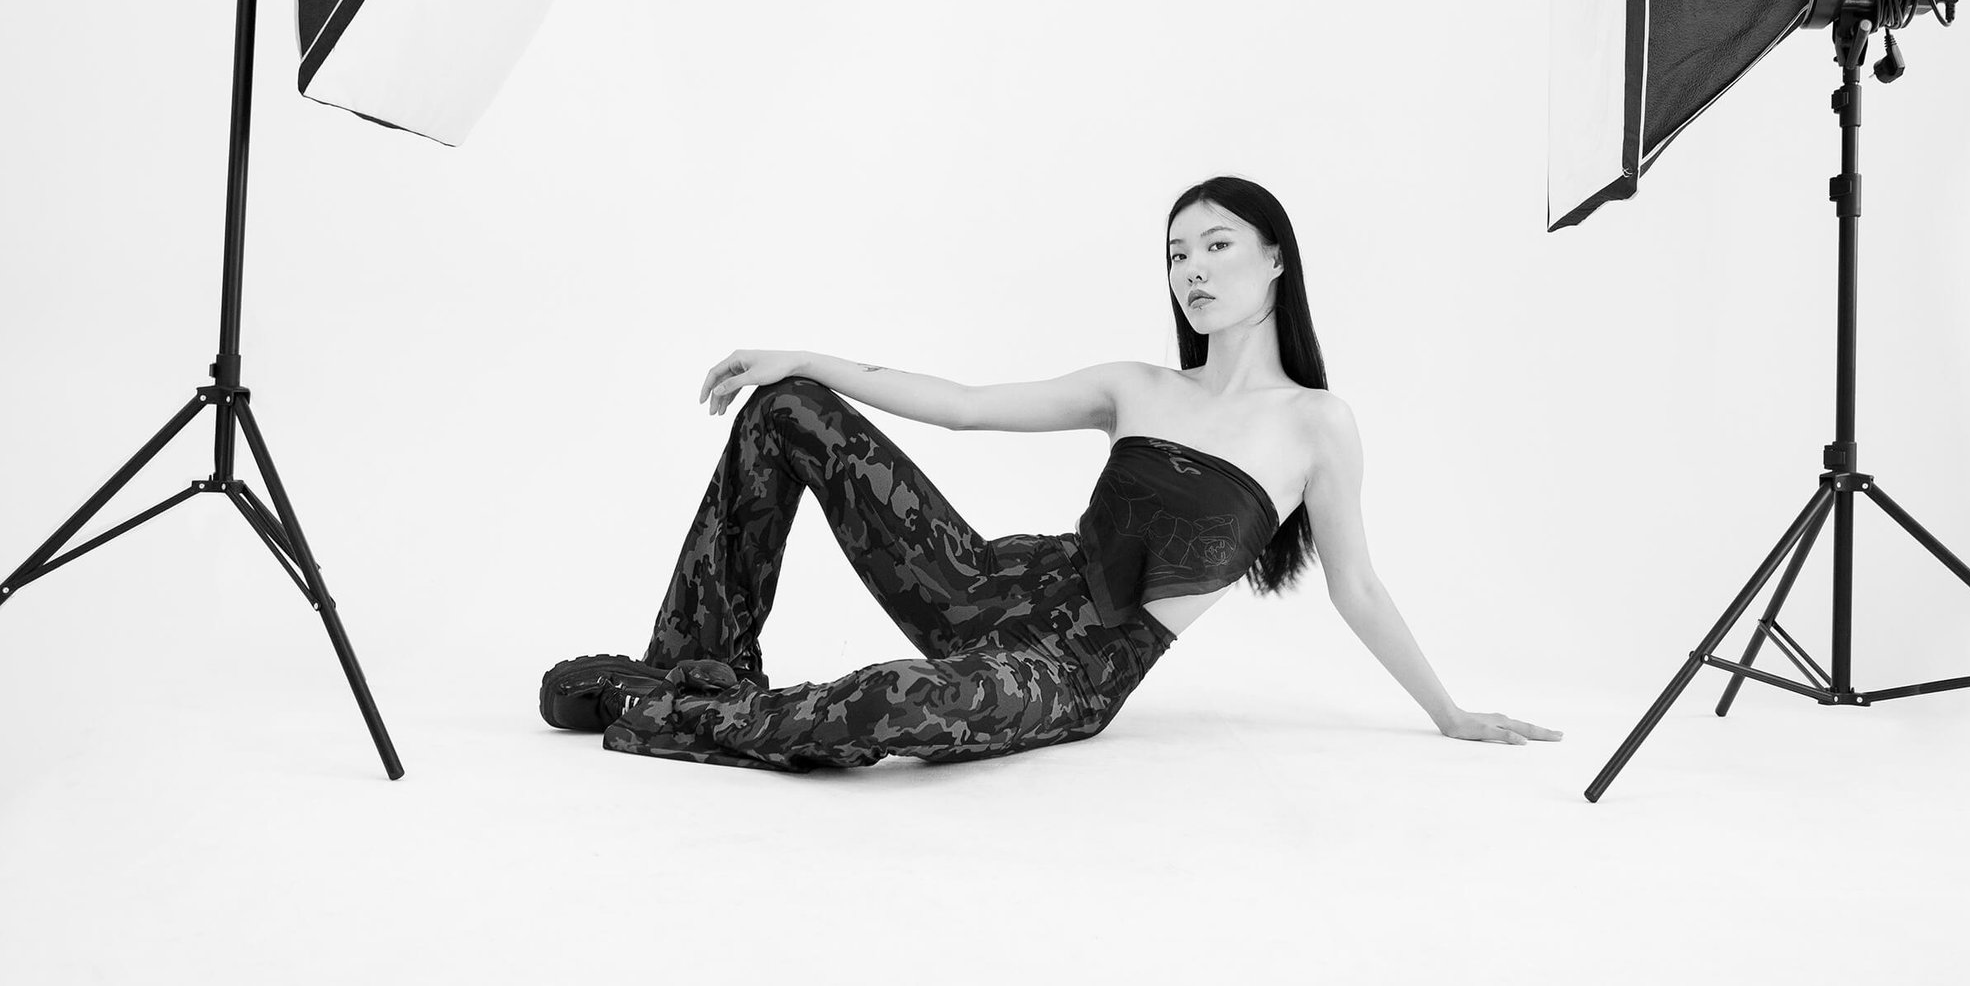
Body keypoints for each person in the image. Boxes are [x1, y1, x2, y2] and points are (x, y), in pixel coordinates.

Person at [539, 175, 1558, 771]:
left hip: (1075, 673)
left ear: (1277, 258)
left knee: (892, 703)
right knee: (785, 408)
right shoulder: (1136, 383)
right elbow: (969, 403)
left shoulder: (1315, 425)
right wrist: (801, 355)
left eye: (1215, 245)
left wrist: (1451, 711)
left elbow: (1359, 586)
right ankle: (698, 664)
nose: (1191, 268)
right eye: (1174, 253)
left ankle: (664, 713)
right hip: (985, 584)